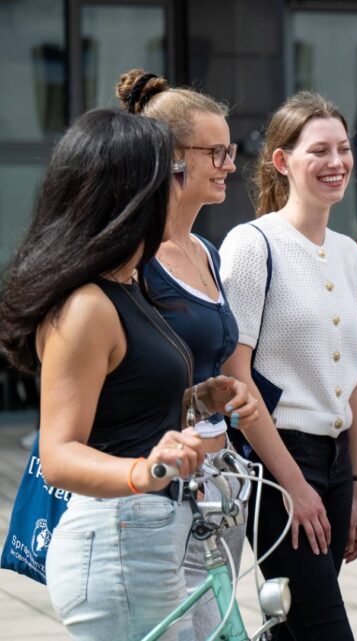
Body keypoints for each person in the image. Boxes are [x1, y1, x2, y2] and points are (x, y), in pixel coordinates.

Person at [0, 108, 255, 640]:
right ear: (132, 193)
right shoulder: (87, 306)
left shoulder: (127, 285)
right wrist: (146, 470)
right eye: (172, 176)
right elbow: (59, 454)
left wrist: (200, 400)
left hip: (147, 536)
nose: (178, 189)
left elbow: (127, 405)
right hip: (119, 540)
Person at [219, 91, 357, 640]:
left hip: (337, 463)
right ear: (282, 161)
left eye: (343, 149)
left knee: (292, 628)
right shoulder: (252, 244)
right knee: (324, 629)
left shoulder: (351, 254)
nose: (337, 162)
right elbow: (235, 378)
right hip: (277, 461)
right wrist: (293, 486)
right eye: (320, 150)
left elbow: (353, 381)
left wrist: (356, 486)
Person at [117, 68, 246, 639]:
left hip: (222, 483)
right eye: (216, 152)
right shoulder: (134, 262)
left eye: (230, 151)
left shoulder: (207, 252)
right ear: (171, 158)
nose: (230, 165)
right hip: (167, 488)